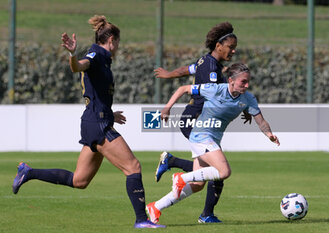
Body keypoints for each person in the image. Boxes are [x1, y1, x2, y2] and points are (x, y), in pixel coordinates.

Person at [12, 15, 165, 229]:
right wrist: (73, 54)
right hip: (98, 125)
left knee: (79, 181)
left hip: (96, 121)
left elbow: (96, 95)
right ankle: (141, 220)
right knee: (133, 167)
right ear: (111, 40)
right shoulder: (95, 55)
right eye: (118, 43)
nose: (118, 47)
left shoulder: (103, 60)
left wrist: (111, 114)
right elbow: (78, 66)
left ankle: (28, 172)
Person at [146, 63, 280, 224]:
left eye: (248, 82)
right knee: (223, 172)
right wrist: (167, 108)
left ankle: (156, 207)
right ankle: (181, 177)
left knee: (197, 185)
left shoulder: (248, 99)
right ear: (231, 80)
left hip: (212, 140)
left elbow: (261, 121)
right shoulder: (216, 89)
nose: (247, 85)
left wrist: (269, 134)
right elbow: (183, 89)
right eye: (243, 82)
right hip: (201, 135)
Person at [153, 22, 251, 223]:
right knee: (219, 171)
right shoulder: (212, 69)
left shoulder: (205, 62)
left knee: (202, 178)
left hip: (194, 119)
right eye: (231, 47)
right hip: (197, 121)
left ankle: (159, 201)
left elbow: (186, 70)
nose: (234, 50)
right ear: (218, 46)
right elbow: (216, 97)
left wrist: (168, 74)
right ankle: (206, 213)